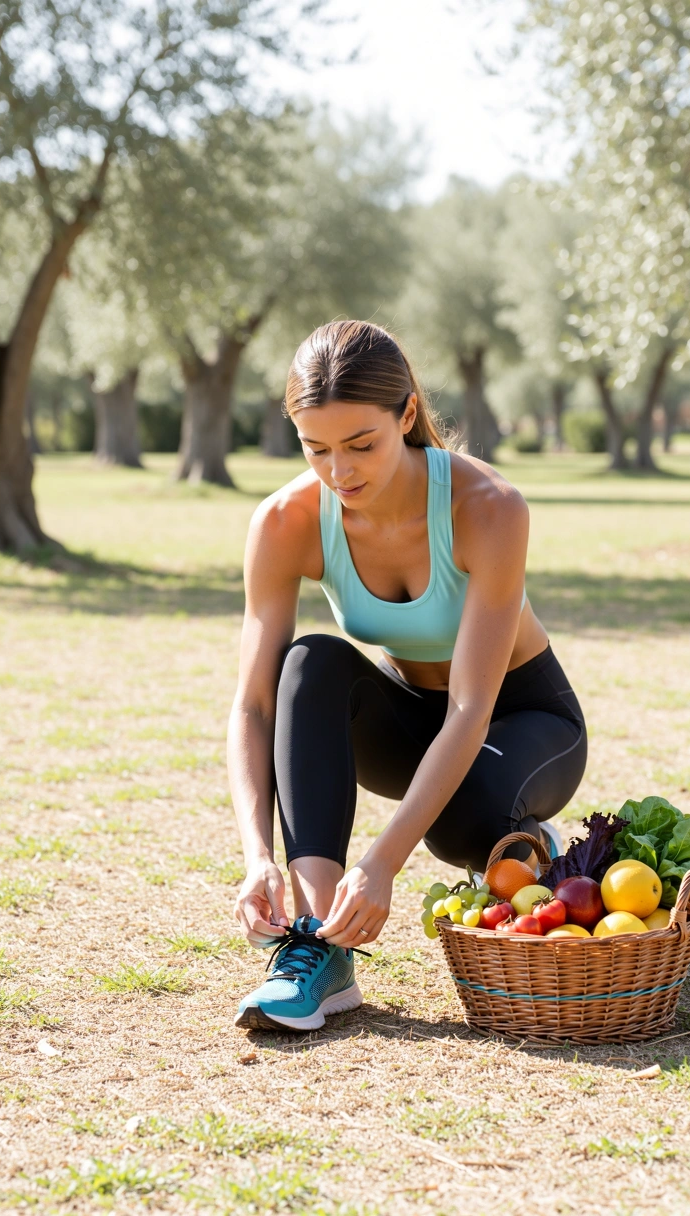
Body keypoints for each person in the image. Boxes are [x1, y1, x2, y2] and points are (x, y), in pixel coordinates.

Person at [228, 320, 586, 1032]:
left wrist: (382, 862)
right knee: (309, 664)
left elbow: (471, 709)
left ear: (408, 415)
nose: (340, 471)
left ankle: (528, 843)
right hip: (411, 720)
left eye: (361, 445)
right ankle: (318, 943)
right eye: (316, 448)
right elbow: (255, 708)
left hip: (522, 721)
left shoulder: (488, 507)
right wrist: (257, 855)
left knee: (461, 825)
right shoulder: (284, 520)